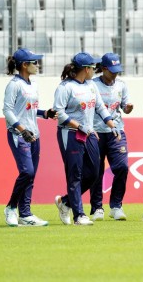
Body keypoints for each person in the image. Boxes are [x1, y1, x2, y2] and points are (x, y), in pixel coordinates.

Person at [53, 52, 121, 226]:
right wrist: (78, 126)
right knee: (75, 175)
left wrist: (111, 124)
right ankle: (79, 215)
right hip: (70, 133)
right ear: (85, 69)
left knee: (94, 173)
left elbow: (100, 106)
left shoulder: (91, 85)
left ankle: (65, 202)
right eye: (92, 67)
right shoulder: (65, 87)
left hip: (89, 133)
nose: (95, 70)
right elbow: (58, 112)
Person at [2, 48, 56, 227]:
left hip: (34, 135)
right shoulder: (14, 85)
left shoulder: (33, 85)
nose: (37, 65)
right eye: (34, 62)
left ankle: (25, 214)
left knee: (31, 176)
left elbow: (29, 109)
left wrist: (45, 113)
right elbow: (8, 110)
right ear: (24, 65)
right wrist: (21, 129)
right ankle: (11, 208)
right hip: (19, 135)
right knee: (27, 172)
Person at [88, 53, 133, 222]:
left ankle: (116, 206)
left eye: (117, 70)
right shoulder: (93, 85)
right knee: (96, 171)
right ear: (104, 69)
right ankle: (97, 207)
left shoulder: (122, 85)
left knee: (122, 167)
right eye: (112, 70)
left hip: (116, 130)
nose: (115, 74)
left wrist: (128, 108)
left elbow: (124, 108)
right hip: (96, 132)